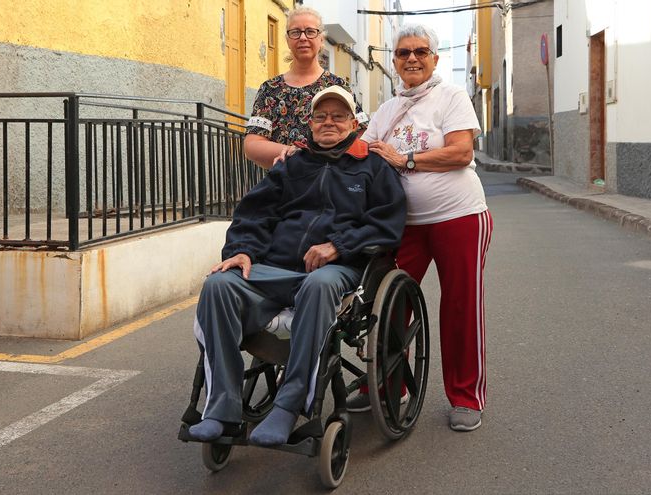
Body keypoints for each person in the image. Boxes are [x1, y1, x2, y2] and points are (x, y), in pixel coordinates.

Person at [189, 86, 406, 446]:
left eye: (338, 116)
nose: (329, 123)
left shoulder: (373, 166)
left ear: (354, 122)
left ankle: (288, 407)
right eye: (320, 116)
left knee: (319, 285)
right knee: (219, 284)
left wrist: (339, 246)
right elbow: (255, 214)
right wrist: (242, 250)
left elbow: (387, 224)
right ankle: (221, 408)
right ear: (309, 123)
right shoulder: (292, 164)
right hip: (275, 268)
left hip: (340, 271)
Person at [349, 23, 494, 433]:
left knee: (460, 306)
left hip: (460, 216)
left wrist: (406, 160)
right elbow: (365, 151)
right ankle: (389, 386)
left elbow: (461, 152)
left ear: (434, 58)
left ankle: (466, 397)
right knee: (389, 306)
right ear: (393, 61)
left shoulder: (451, 97)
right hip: (406, 225)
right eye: (402, 53)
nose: (411, 58)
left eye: (420, 51)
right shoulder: (386, 110)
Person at [244, 6, 366, 169]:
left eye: (310, 31)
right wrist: (295, 153)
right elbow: (252, 145)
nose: (303, 38)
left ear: (321, 39)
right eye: (295, 32)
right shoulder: (270, 89)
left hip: (332, 182)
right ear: (287, 40)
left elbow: (363, 134)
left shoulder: (339, 86)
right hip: (286, 186)